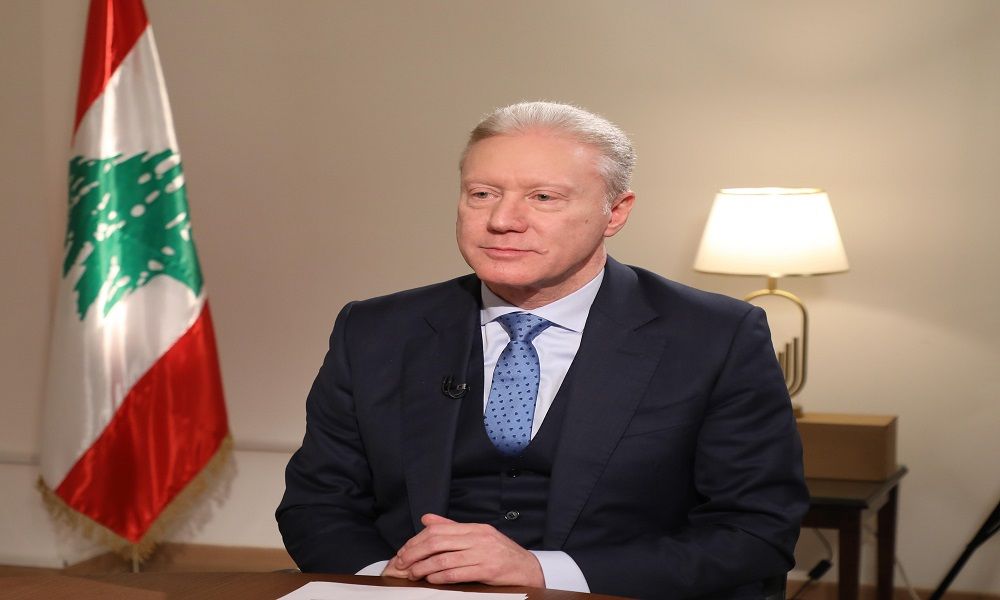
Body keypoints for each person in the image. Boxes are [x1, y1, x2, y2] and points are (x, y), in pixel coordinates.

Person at [276, 101, 808, 599]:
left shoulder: (715, 335)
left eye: (543, 197)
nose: (502, 220)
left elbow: (756, 530)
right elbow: (317, 503)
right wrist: (383, 581)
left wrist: (544, 573)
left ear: (615, 212)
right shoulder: (375, 329)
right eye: (482, 193)